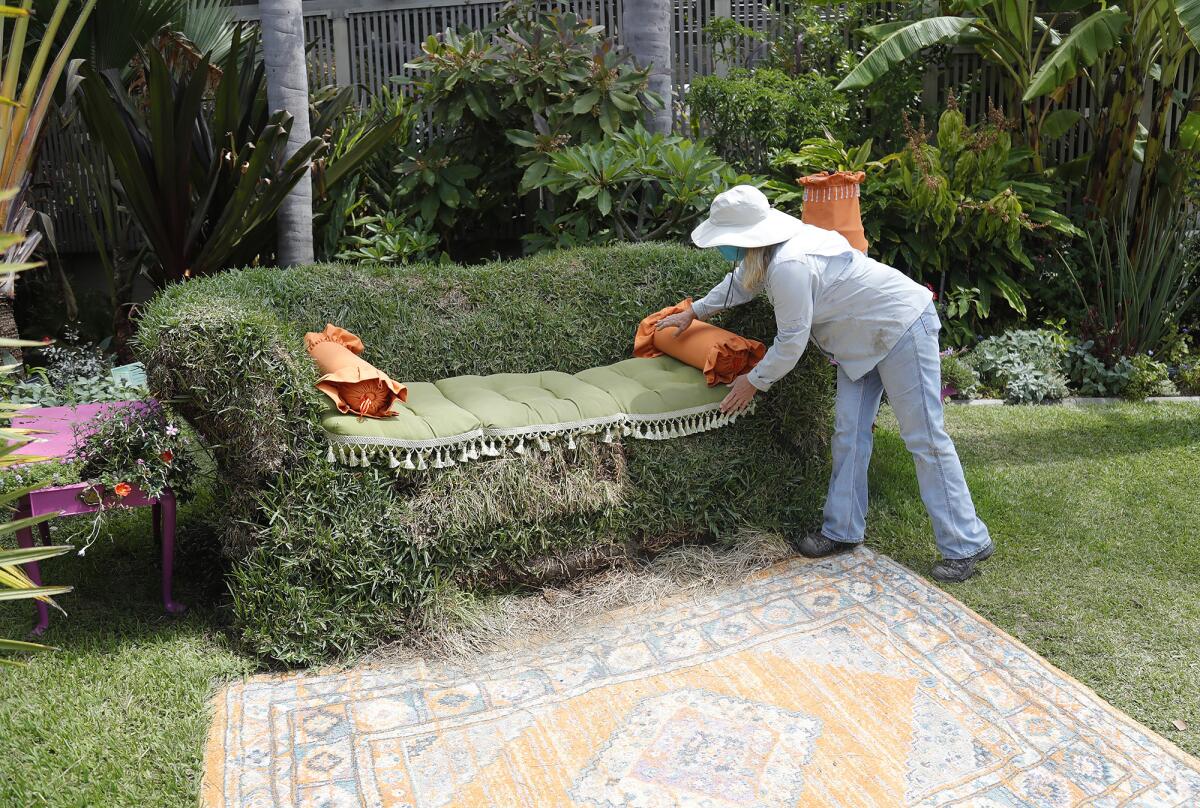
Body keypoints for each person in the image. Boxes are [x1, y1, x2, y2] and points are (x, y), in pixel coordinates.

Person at [658, 185, 994, 582]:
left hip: (901, 327)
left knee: (924, 438)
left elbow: (791, 342)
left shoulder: (789, 265)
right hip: (860, 341)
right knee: (848, 433)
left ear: (744, 238)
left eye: (724, 241)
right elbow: (740, 285)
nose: (722, 249)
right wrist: (693, 312)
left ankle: (966, 543)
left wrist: (754, 380)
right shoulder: (769, 253)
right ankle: (842, 529)